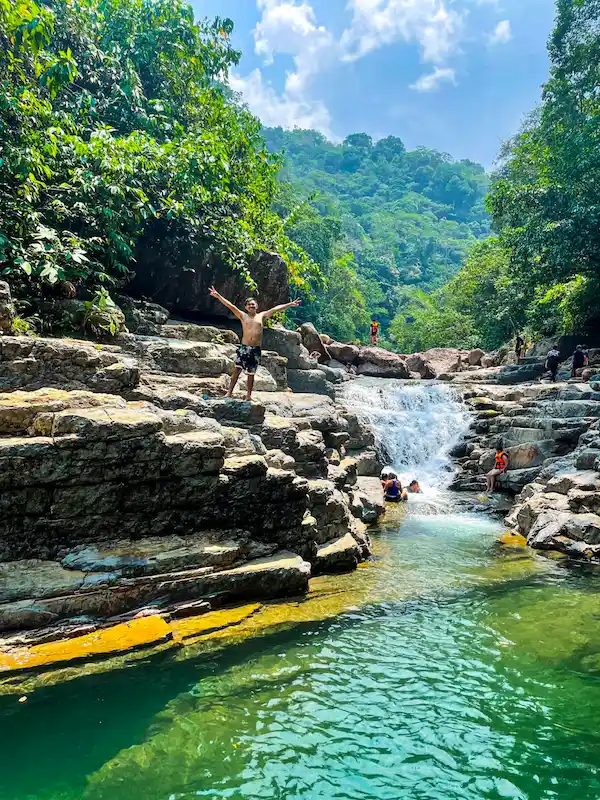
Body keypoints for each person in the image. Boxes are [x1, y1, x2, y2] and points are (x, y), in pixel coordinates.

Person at [209, 287, 301, 400]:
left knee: (251, 374)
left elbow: (275, 309)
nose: (252, 306)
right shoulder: (243, 316)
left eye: (253, 304)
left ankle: (248, 396)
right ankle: (229, 392)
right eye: (249, 305)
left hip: (255, 349)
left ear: (257, 306)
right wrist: (218, 296)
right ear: (246, 307)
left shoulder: (261, 316)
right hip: (244, 348)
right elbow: (230, 306)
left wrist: (290, 304)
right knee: (237, 370)